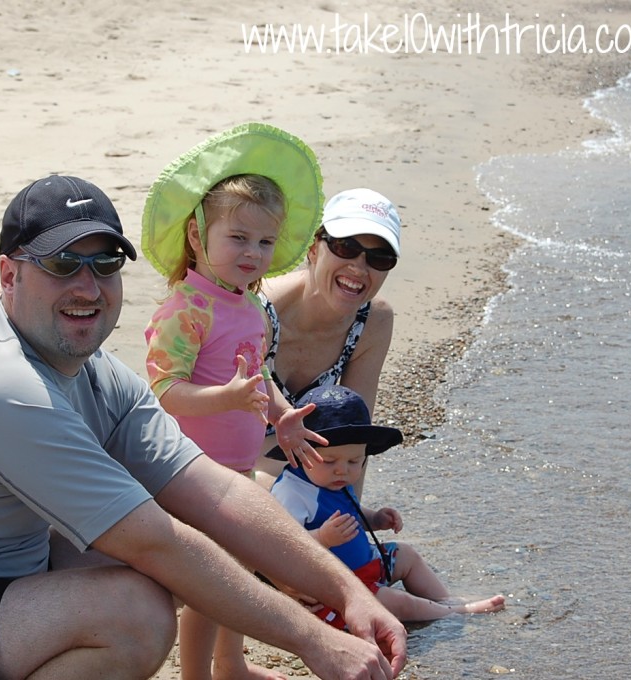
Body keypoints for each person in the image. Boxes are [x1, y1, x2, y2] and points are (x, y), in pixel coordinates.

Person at [0, 174, 408, 680]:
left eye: (105, 262)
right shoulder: (4, 385)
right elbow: (158, 543)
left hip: (15, 585)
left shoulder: (90, 368)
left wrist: (350, 594)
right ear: (8, 275)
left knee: (197, 540)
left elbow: (215, 491)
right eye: (62, 263)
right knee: (137, 614)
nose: (86, 286)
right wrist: (315, 640)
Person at [141, 123, 331, 680]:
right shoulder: (187, 308)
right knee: (211, 585)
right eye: (238, 238)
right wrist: (226, 396)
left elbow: (258, 375)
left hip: (238, 469)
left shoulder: (247, 304)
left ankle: (231, 663)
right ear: (198, 238)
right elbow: (164, 392)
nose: (253, 253)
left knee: (239, 573)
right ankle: (196, 674)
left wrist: (280, 414)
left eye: (265, 242)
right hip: (189, 470)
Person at [270, 385, 506, 625]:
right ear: (299, 453)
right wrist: (322, 536)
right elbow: (280, 545)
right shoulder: (292, 492)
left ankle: (444, 599)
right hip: (335, 588)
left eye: (354, 461)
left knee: (407, 555)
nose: (342, 469)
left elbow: (352, 514)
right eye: (329, 460)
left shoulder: (331, 480)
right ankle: (450, 613)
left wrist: (374, 519)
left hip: (365, 566)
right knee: (400, 604)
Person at [254, 188, 403, 498]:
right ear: (313, 249)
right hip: (227, 461)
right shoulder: (257, 311)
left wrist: (354, 519)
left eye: (379, 258)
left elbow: (355, 439)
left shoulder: (373, 321)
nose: (360, 268)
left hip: (309, 470)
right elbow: (216, 432)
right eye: (345, 247)